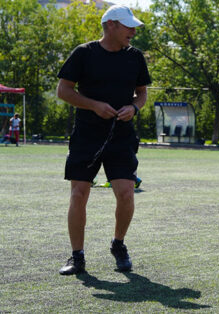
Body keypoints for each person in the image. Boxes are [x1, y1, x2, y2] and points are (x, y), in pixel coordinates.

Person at [55, 5, 150, 275]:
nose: (133, 31)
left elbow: (141, 93)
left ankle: (118, 244)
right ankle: (77, 257)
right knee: (79, 194)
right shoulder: (83, 53)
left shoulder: (135, 57)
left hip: (121, 136)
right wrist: (94, 105)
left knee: (126, 193)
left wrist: (134, 108)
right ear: (111, 25)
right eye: (128, 26)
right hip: (87, 135)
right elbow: (64, 91)